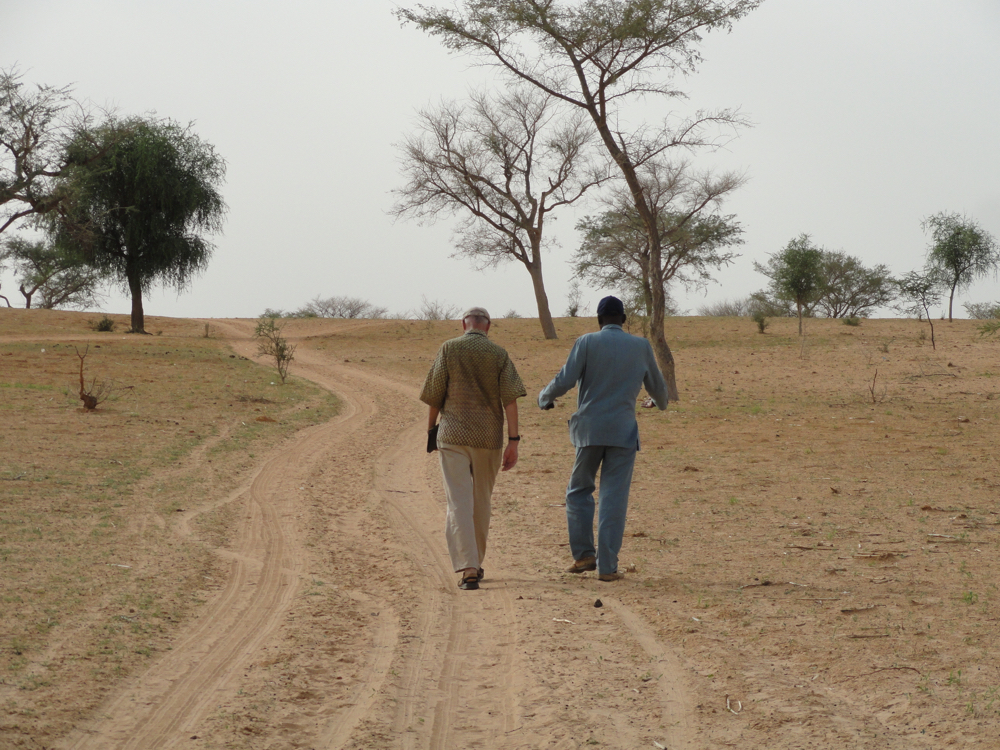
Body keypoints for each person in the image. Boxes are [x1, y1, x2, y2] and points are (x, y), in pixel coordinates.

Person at [538, 295, 669, 581]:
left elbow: (565, 378)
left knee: (578, 491)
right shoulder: (641, 346)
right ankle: (608, 567)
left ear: (599, 320)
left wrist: (544, 397)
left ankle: (584, 554)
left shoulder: (586, 342)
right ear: (623, 320)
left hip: (588, 432)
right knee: (614, 498)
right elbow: (659, 391)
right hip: (623, 433)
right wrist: (659, 402)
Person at [420, 306, 526, 591]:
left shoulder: (449, 349)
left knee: (458, 502)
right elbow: (511, 400)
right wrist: (513, 442)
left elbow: (434, 394)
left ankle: (468, 568)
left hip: (452, 435)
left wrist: (431, 428)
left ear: (463, 324)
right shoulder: (499, 354)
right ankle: (475, 563)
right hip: (489, 438)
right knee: (481, 502)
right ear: (488, 327)